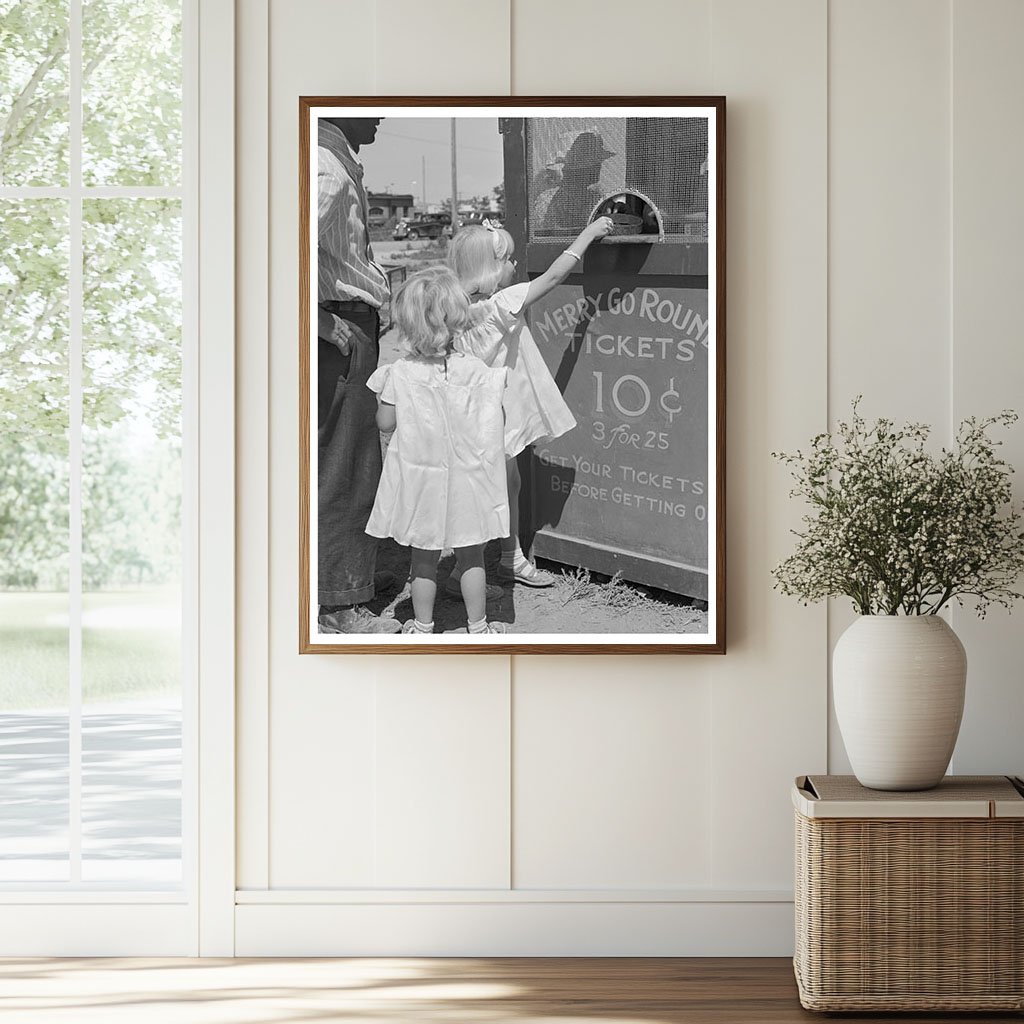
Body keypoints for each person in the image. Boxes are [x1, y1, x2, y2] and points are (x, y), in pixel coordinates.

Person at [448, 215, 613, 588]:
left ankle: (495, 558)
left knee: (500, 485)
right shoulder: (502, 303)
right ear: (489, 270)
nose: (515, 265)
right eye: (507, 261)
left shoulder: (457, 310)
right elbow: (554, 277)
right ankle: (487, 565)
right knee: (501, 487)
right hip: (496, 414)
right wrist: (587, 233)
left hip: (469, 415)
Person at [364, 266, 512, 636]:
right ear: (457, 318)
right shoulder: (476, 370)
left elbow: (385, 424)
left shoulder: (399, 373)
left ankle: (423, 624)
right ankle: (477, 627)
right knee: (472, 554)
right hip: (468, 477)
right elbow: (498, 416)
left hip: (421, 477)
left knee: (423, 558)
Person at [316, 116, 401, 634]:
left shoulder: (332, 157)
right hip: (336, 326)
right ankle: (335, 601)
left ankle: (348, 579)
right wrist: (320, 320)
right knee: (344, 464)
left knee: (349, 457)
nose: (380, 114)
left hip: (346, 320)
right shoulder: (325, 165)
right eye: (368, 105)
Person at [541, 131, 615, 232]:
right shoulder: (552, 199)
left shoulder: (595, 197)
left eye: (598, 163)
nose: (598, 168)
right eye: (594, 164)